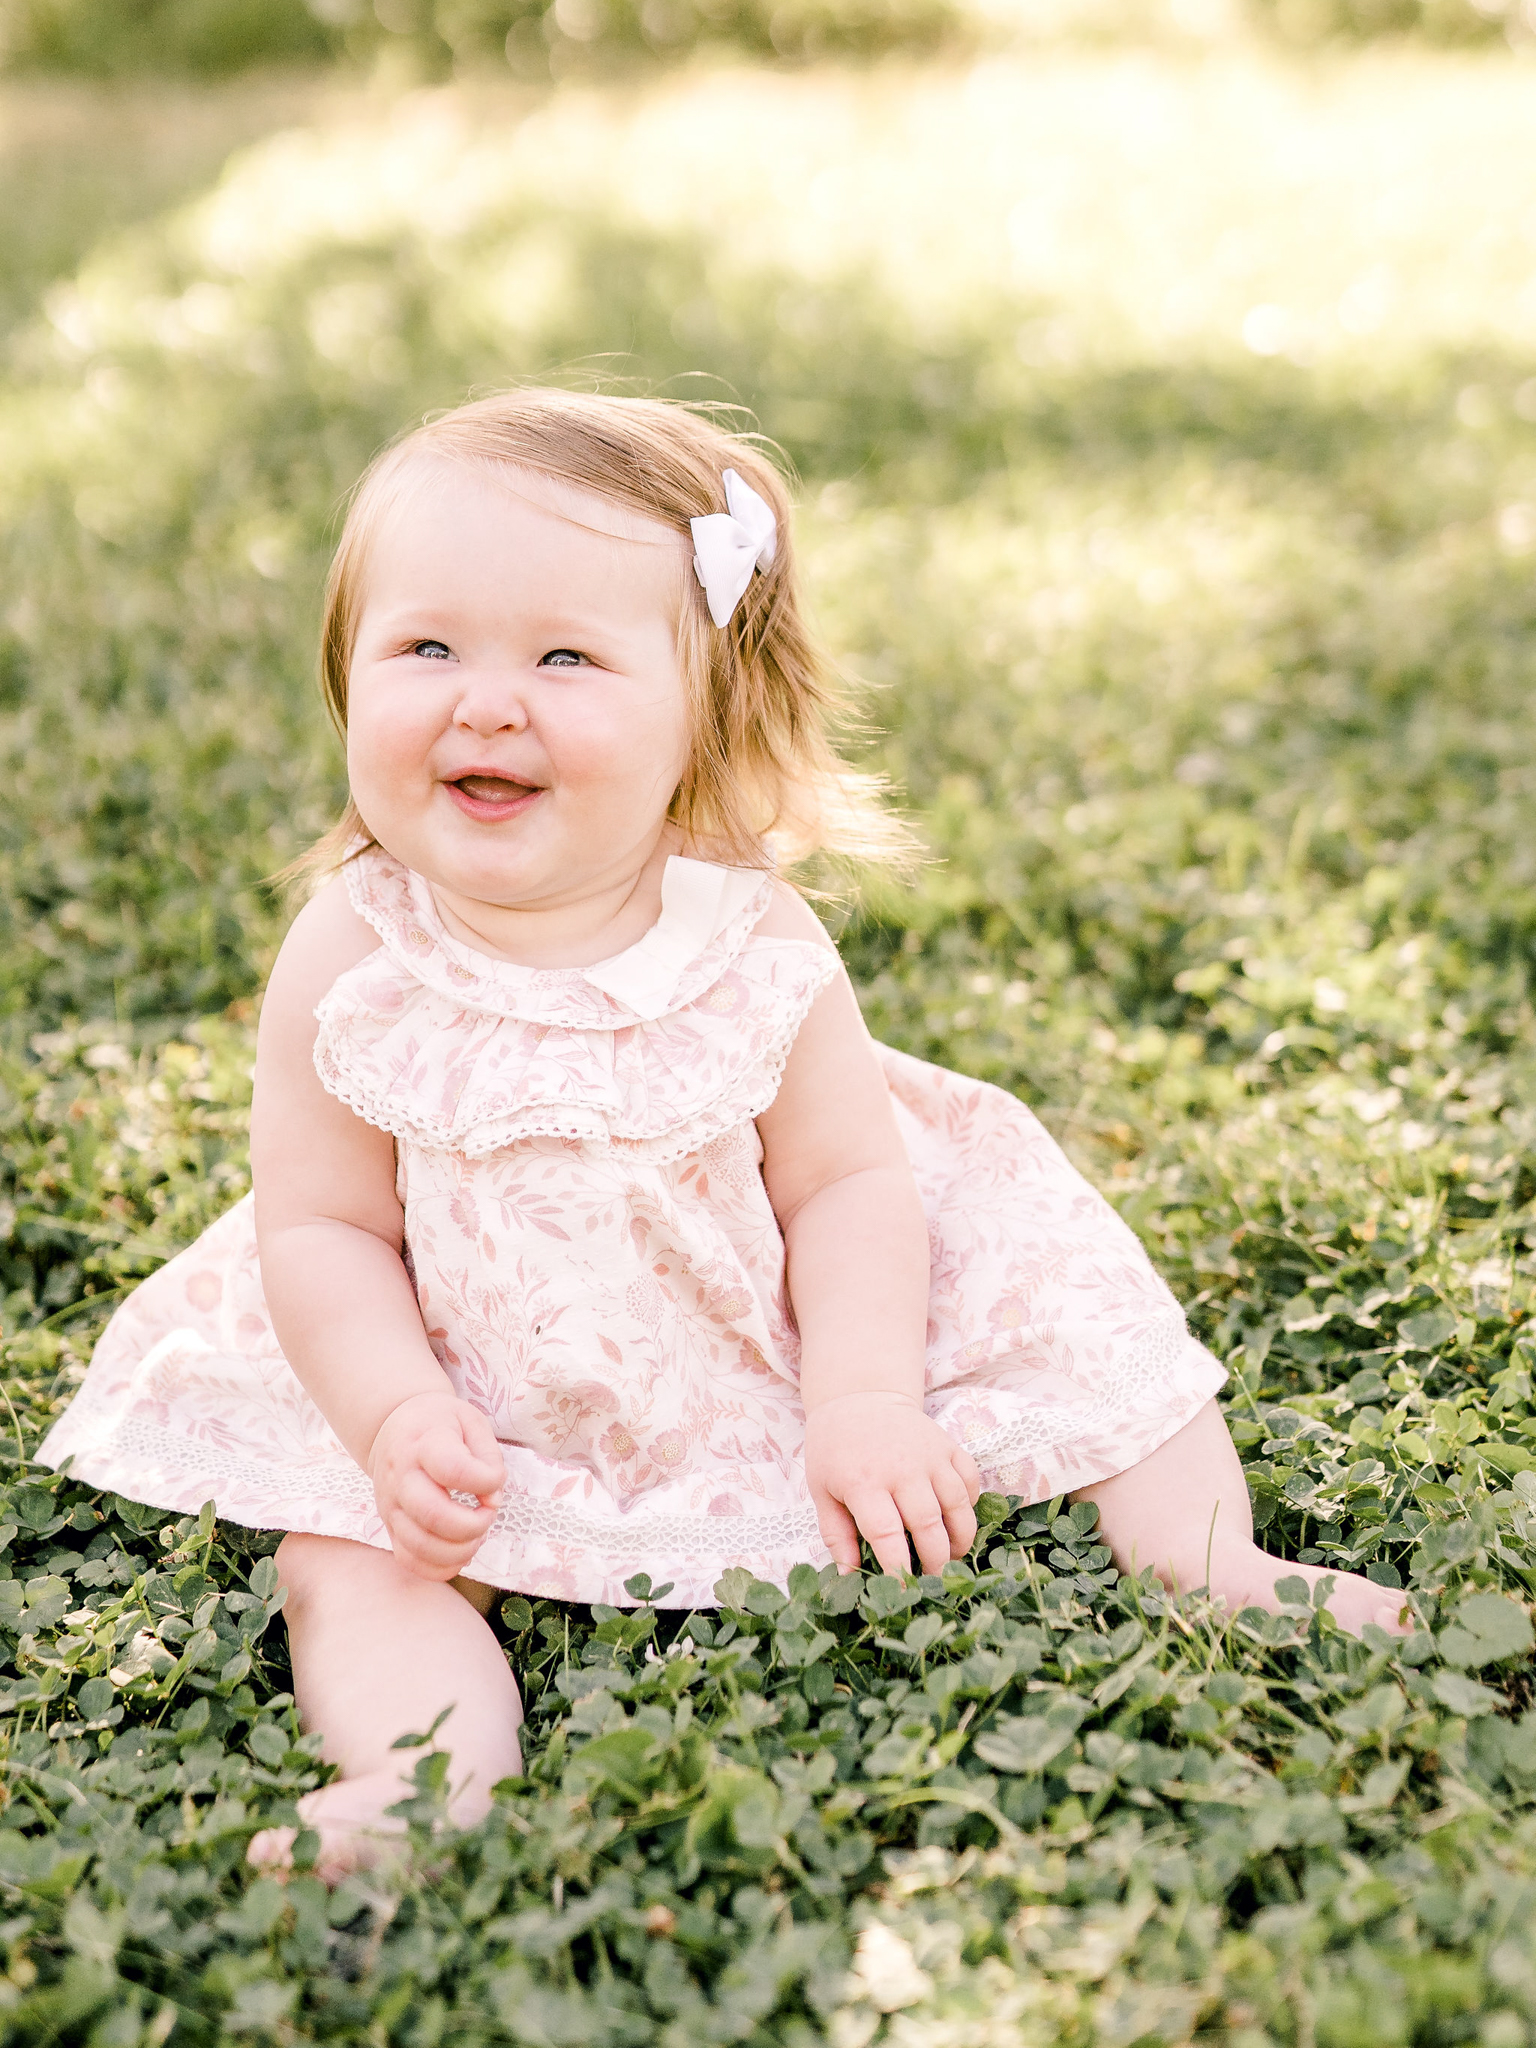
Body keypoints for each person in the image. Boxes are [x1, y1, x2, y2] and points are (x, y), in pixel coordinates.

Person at [37, 389, 1407, 1876]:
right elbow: (322, 1226)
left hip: (773, 1309)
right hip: (470, 1356)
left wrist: (866, 1399)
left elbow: (845, 1185)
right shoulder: (349, 954)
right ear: (345, 678)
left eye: (566, 657)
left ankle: (1218, 1564)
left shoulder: (749, 940)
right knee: (349, 1558)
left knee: (1073, 1335)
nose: (486, 701)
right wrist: (388, 1412)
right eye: (426, 647)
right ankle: (424, 1782)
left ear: (702, 714)